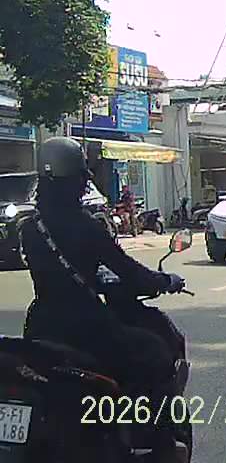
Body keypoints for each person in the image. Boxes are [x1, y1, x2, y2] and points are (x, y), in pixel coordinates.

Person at [21, 138, 186, 408]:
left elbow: (56, 274)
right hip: (87, 326)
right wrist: (164, 281)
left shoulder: (30, 227)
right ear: (75, 180)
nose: (85, 184)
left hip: (42, 324)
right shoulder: (86, 225)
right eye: (82, 177)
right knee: (155, 352)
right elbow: (129, 271)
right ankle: (148, 427)